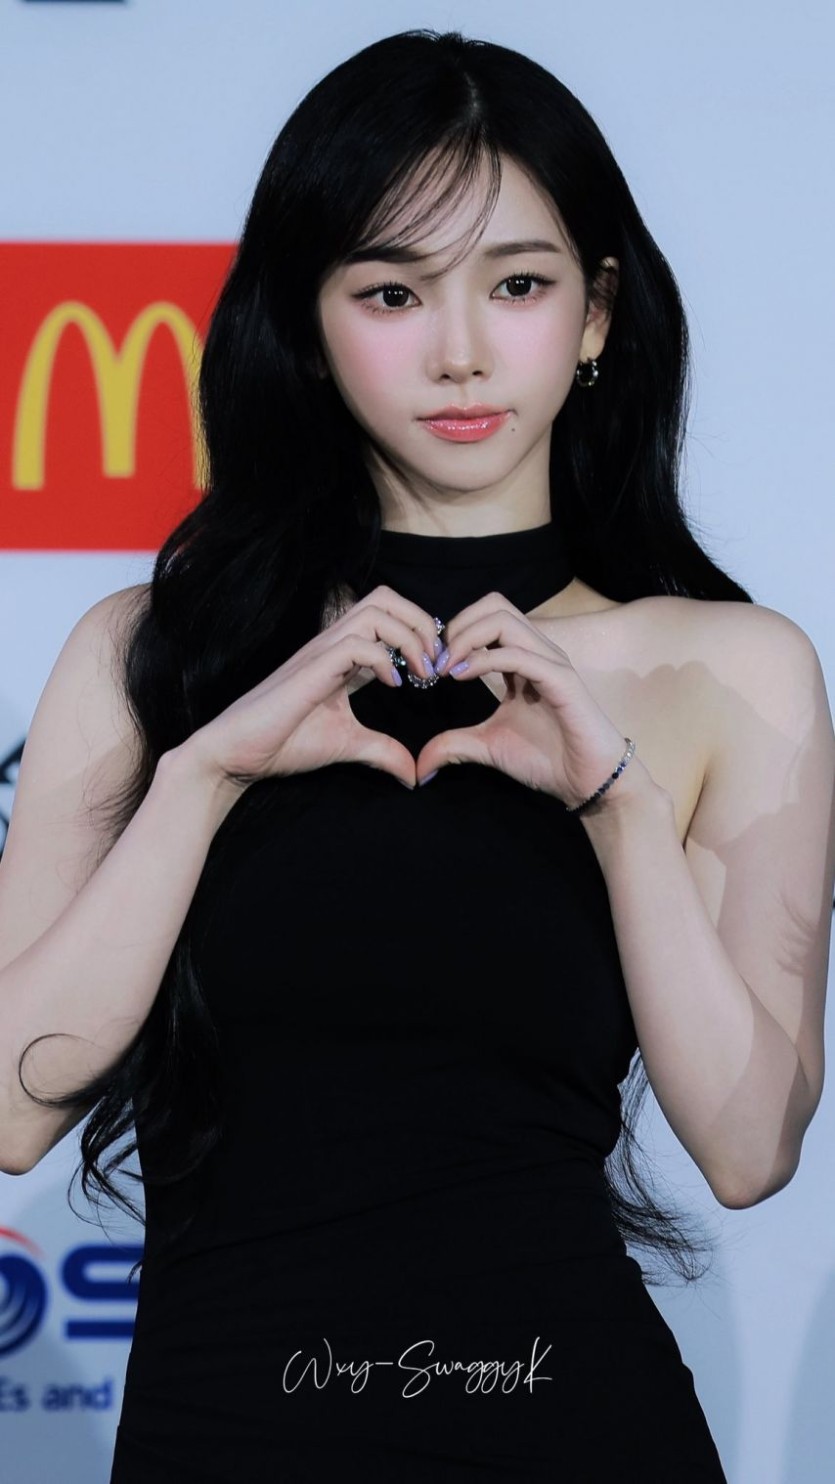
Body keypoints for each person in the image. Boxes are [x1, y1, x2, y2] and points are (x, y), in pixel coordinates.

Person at [0, 27, 832, 1483]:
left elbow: (750, 1148)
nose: (460, 351)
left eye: (518, 285)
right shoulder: (155, 655)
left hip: (576, 1435)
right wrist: (202, 778)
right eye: (392, 291)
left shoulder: (724, 671)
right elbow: (14, 1111)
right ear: (308, 325)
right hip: (222, 1439)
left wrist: (618, 807)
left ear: (597, 314)